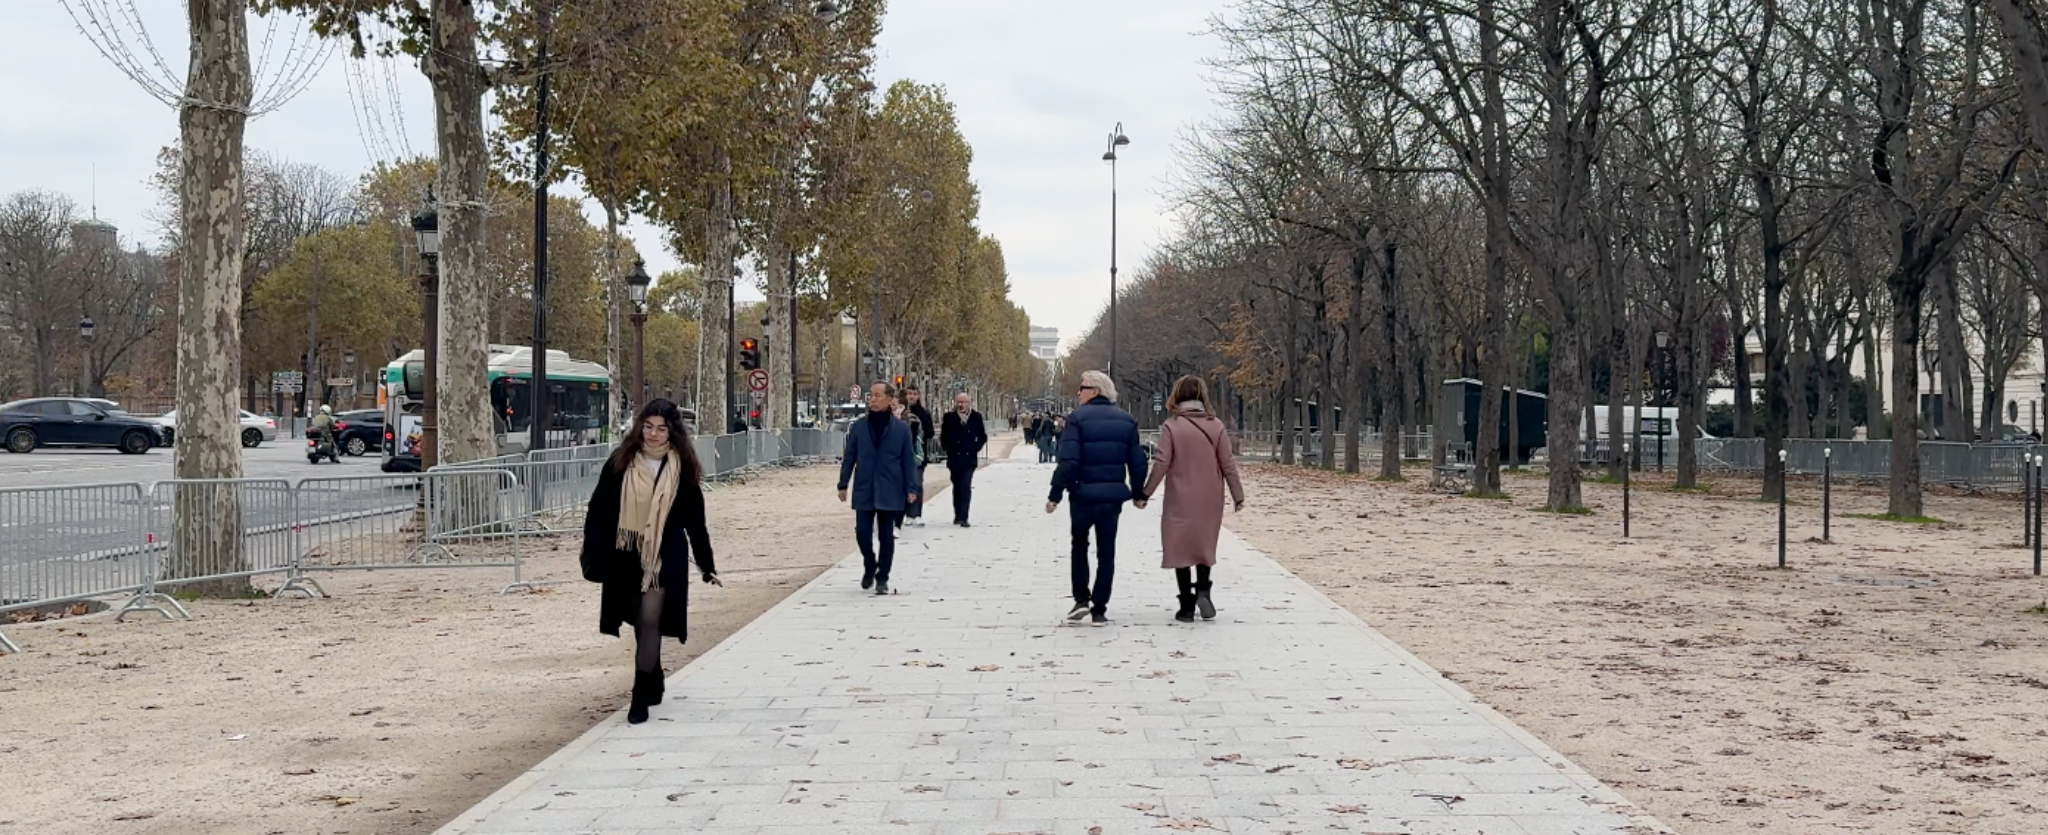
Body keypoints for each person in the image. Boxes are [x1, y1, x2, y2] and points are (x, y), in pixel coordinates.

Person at [579, 399, 720, 725]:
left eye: (661, 428)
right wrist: (592, 554)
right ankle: (653, 675)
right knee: (636, 621)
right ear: (639, 427)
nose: (654, 434)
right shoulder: (620, 461)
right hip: (624, 555)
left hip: (663, 559)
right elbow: (598, 510)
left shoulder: (681, 467)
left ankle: (639, 696)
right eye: (648, 427)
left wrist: (706, 563)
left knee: (649, 622)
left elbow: (695, 521)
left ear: (672, 431)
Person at [1135, 376, 1246, 623]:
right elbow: (1227, 463)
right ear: (1202, 396)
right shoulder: (1215, 425)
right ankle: (1204, 590)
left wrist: (1145, 493)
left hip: (1180, 496)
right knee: (1204, 545)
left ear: (1177, 396)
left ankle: (1186, 605)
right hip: (1210, 495)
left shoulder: (1171, 426)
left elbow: (1162, 463)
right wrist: (1237, 495)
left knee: (1180, 548)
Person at [1046, 371, 1148, 626]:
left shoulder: (1076, 419)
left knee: (1079, 545)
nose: (1078, 392)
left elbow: (1069, 460)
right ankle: (1100, 608)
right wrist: (1138, 493)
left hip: (1082, 493)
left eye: (1082, 388)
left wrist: (1055, 494)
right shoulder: (1126, 421)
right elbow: (1137, 462)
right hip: (1112, 496)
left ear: (1095, 390)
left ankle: (1081, 598)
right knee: (1107, 551)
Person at [838, 381, 920, 595]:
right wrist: (843, 483)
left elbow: (908, 461)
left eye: (877, 395)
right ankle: (869, 564)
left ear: (889, 399)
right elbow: (850, 458)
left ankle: (882, 576)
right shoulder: (858, 427)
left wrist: (912, 488)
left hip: (890, 488)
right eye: (871, 395)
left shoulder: (901, 430)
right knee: (862, 532)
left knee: (886, 536)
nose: (872, 399)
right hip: (865, 487)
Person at [940, 392, 988, 527]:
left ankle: (964, 517)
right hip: (954, 458)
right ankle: (958, 515)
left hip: (969, 458)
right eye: (959, 402)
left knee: (966, 486)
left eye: (964, 402)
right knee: (957, 486)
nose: (961, 405)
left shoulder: (976, 417)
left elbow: (983, 436)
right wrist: (947, 449)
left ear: (969, 403)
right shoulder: (949, 417)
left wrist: (975, 448)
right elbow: (943, 436)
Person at [901, 385, 936, 528]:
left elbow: (930, 432)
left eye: (914, 394)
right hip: (902, 454)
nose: (911, 397)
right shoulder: (901, 413)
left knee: (916, 483)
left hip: (918, 454)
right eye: (909, 394)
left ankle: (916, 514)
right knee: (903, 485)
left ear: (918, 396)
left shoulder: (924, 413)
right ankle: (906, 514)